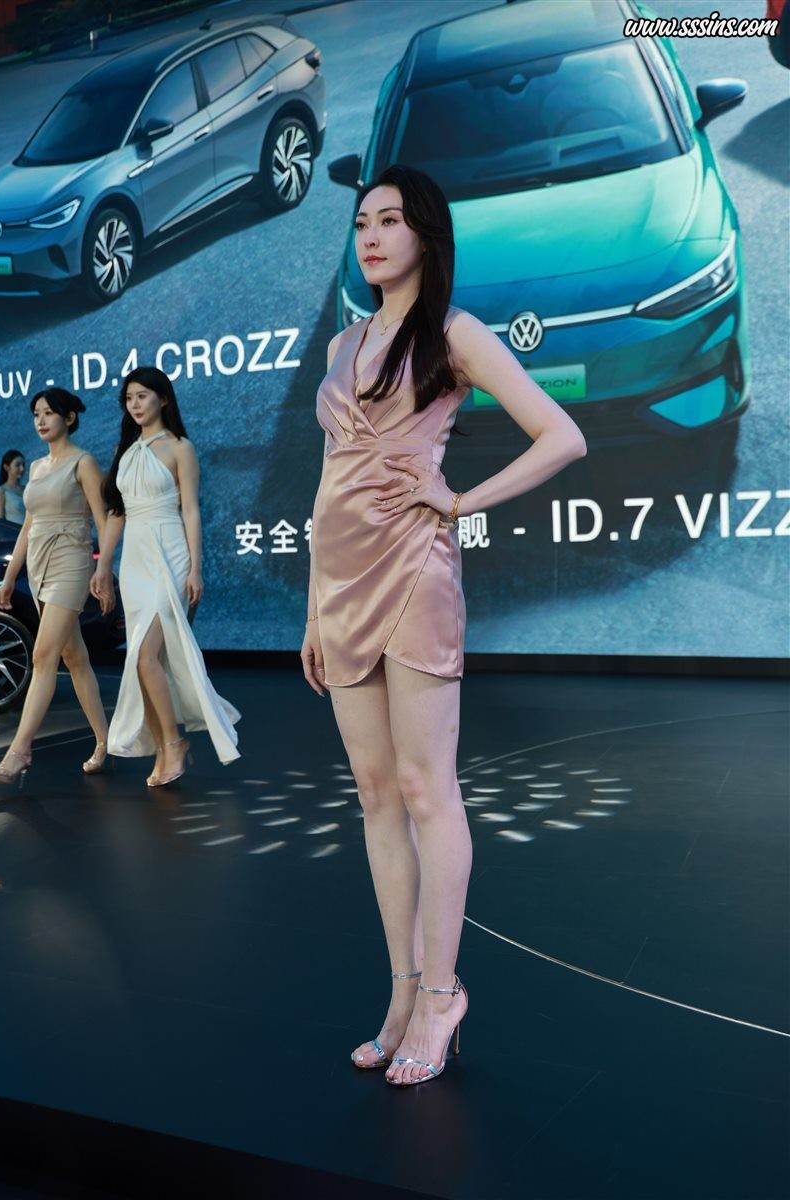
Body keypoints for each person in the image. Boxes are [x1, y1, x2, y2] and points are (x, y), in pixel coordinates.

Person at [300, 164, 586, 1087]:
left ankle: (441, 994)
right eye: (361, 223)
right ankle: (400, 993)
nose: (371, 236)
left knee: (427, 789)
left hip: (415, 572)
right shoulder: (344, 341)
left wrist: (460, 501)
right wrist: (313, 603)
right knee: (376, 795)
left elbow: (562, 435)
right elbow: (329, 479)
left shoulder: (454, 333)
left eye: (390, 220)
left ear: (426, 232)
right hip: (341, 583)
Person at [90, 366, 239, 786]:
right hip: (134, 562)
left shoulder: (180, 448)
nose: (135, 404)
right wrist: (103, 565)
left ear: (163, 399)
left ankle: (174, 743)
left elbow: (190, 510)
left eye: (143, 395)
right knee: (142, 662)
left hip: (169, 553)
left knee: (145, 655)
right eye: (129, 398)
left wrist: (196, 568)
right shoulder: (125, 451)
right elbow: (117, 513)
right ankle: (163, 747)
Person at [0, 390, 110, 785]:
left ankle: (19, 751)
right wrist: (10, 577)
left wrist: (103, 570)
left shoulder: (84, 462)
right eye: (36, 414)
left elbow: (102, 519)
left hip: (71, 562)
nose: (40, 420)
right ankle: (104, 741)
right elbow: (28, 525)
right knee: (74, 657)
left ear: (69, 418)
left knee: (44, 656)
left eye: (49, 413)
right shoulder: (38, 467)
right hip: (39, 566)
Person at [0, 449, 26, 524]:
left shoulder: (26, 489)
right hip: (15, 531)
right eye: (17, 465)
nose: (22, 469)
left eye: (23, 465)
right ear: (6, 467)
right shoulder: (2, 491)